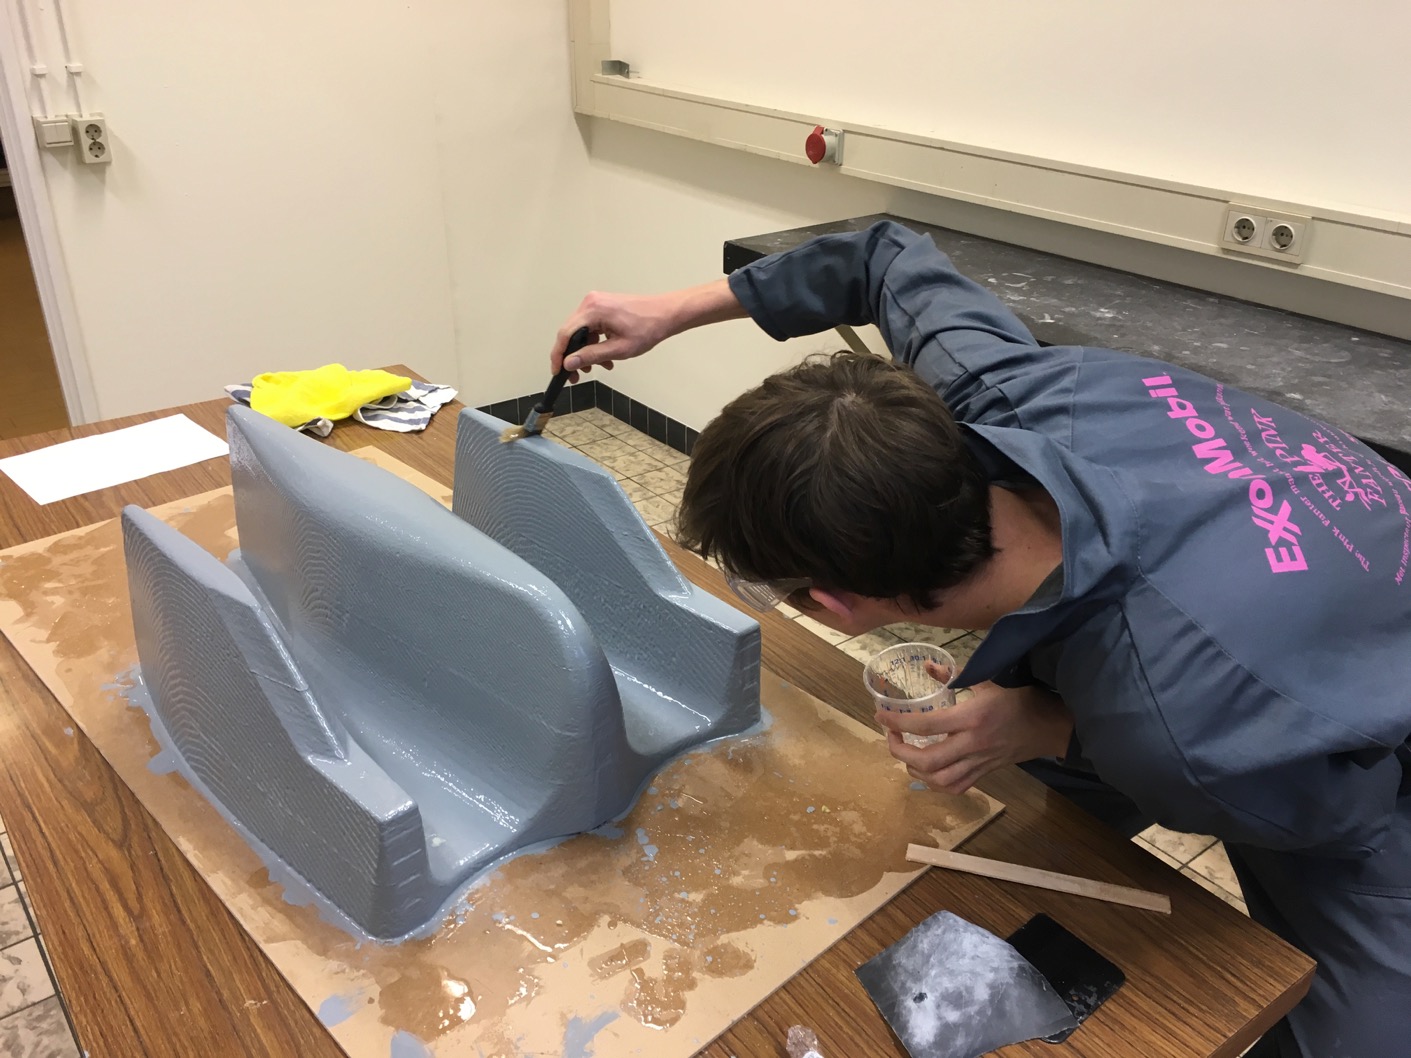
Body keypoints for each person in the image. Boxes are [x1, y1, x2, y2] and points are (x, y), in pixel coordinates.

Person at [549, 220, 1411, 1057]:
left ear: (833, 605)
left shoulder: (1183, 731)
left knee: (1352, 1031)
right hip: (1277, 563)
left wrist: (1053, 726)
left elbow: (1336, 806)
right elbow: (879, 255)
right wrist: (669, 310)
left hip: (1352, 741)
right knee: (1018, 807)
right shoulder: (996, 392)